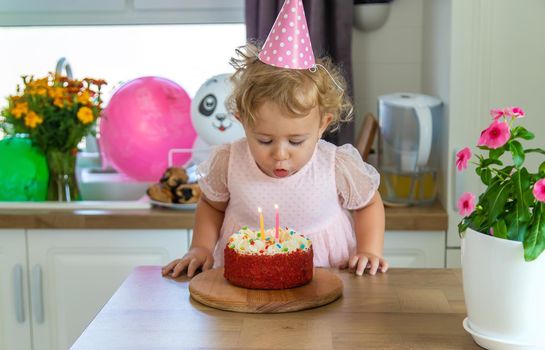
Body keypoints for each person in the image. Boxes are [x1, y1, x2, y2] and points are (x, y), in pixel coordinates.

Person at [163, 0, 388, 279]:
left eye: (296, 141)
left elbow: (368, 204)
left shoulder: (335, 165)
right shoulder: (229, 161)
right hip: (245, 280)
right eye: (265, 141)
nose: (280, 154)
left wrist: (370, 249)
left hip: (326, 275)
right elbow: (211, 206)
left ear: (322, 125)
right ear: (243, 121)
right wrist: (200, 247)